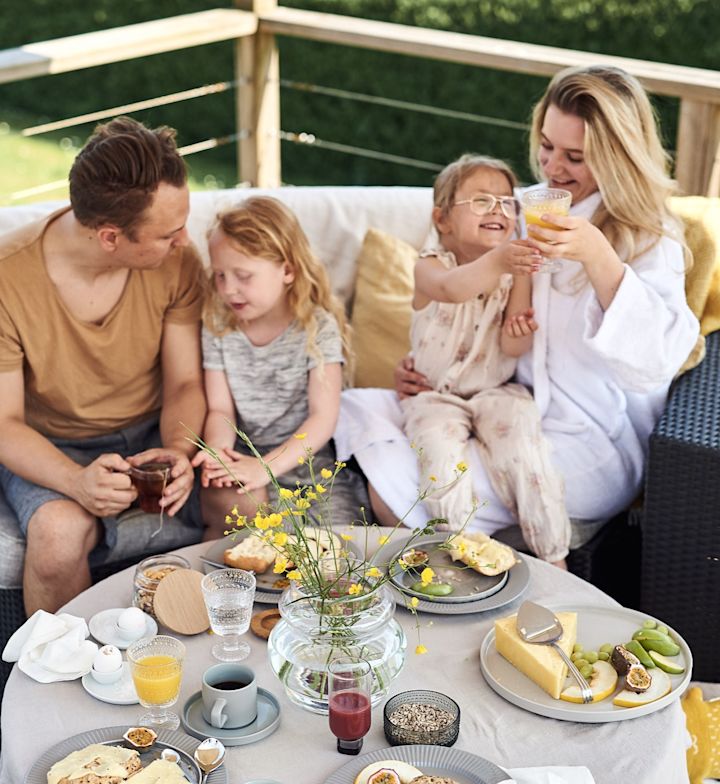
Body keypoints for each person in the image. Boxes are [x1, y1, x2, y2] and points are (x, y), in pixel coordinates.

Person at [334, 66, 701, 551]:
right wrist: (428, 365)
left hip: (585, 443)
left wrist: (598, 255)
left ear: (618, 158)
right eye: (546, 146)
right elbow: (459, 296)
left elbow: (653, 364)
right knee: (363, 408)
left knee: (404, 493)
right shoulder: (526, 212)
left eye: (575, 157)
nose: (551, 168)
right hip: (498, 405)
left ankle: (497, 567)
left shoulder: (650, 239)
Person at [0, 117, 206, 615]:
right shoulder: (8, 279)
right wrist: (75, 481)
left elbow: (184, 380)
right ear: (110, 237)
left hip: (151, 431)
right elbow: (4, 422)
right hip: (52, 443)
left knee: (242, 501)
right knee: (57, 532)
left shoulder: (178, 262)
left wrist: (178, 450)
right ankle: (52, 688)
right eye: (168, 234)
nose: (183, 242)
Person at [402, 152, 570, 565]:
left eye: (507, 202)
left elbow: (513, 349)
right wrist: (498, 260)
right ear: (443, 220)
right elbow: (451, 289)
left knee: (526, 449)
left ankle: (554, 555)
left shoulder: (518, 272)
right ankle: (462, 551)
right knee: (440, 461)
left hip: (496, 389)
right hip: (435, 395)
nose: (497, 208)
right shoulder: (429, 265)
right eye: (481, 201)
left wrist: (519, 333)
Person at [192, 196, 350, 538]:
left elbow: (322, 418)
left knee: (339, 547)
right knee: (255, 545)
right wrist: (218, 450)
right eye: (220, 275)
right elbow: (221, 408)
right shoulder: (218, 323)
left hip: (308, 463)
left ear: (288, 270)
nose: (228, 289)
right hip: (246, 459)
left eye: (243, 276)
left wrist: (267, 467)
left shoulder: (317, 326)